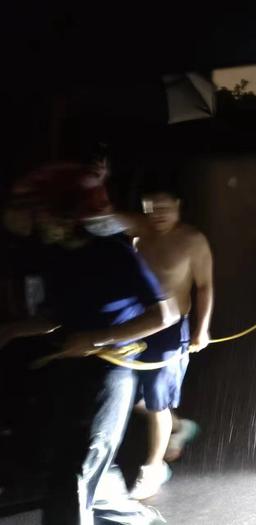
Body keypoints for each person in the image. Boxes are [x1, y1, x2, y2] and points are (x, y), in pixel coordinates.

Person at [1, 162, 178, 524]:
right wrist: (12, 330)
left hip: (112, 369)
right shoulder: (53, 255)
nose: (32, 221)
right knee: (84, 463)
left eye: (38, 212)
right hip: (74, 367)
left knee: (77, 469)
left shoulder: (112, 252)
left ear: (63, 213)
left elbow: (165, 314)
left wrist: (97, 338)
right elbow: (58, 315)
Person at [118, 188, 214, 500]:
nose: (157, 213)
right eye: (150, 207)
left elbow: (204, 286)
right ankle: (179, 426)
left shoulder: (192, 240)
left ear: (178, 206)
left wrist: (202, 329)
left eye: (164, 207)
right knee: (132, 395)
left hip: (172, 329)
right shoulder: (140, 233)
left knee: (157, 400)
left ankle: (154, 466)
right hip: (136, 324)